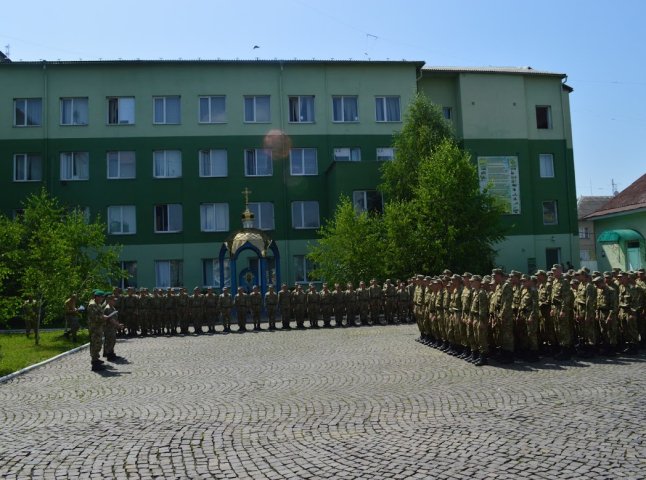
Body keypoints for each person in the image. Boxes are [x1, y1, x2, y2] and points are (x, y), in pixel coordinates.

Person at [103, 293, 124, 361]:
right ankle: (109, 355)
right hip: (109, 328)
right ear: (109, 300)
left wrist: (117, 324)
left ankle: (111, 353)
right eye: (113, 300)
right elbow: (111, 319)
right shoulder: (108, 308)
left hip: (112, 327)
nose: (115, 301)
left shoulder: (112, 307)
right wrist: (118, 325)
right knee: (110, 341)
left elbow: (114, 318)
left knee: (112, 340)